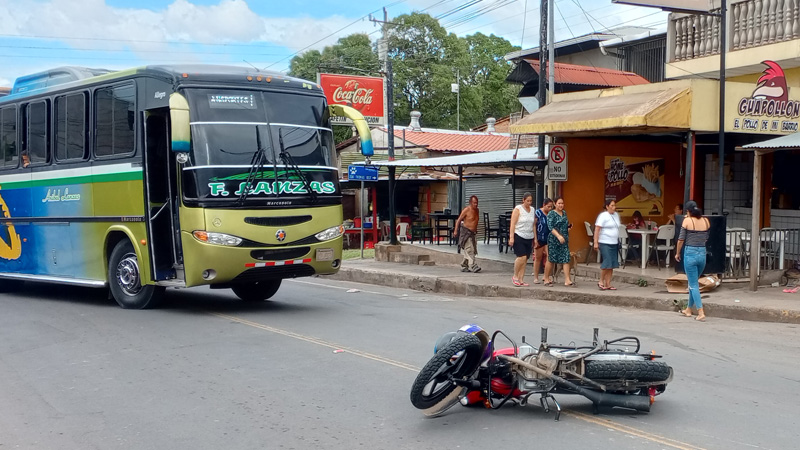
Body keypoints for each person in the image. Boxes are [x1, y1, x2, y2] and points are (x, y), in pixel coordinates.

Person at [674, 200, 708, 322]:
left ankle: (700, 312)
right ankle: (688, 309)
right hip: (702, 253)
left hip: (690, 253)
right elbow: (706, 237)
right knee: (693, 283)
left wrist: (678, 253)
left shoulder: (687, 221)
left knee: (693, 285)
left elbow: (681, 239)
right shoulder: (705, 221)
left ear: (688, 211)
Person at [544, 197, 574, 287]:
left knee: (566, 258)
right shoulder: (551, 214)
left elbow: (564, 225)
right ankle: (546, 278)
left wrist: (568, 229)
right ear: (555, 204)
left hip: (564, 239)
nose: (561, 205)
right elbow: (550, 227)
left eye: (562, 203)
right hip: (554, 239)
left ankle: (567, 279)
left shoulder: (564, 213)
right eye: (559, 203)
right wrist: (558, 236)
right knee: (552, 259)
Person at [508, 192, 535, 286]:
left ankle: (521, 279)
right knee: (521, 256)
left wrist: (535, 238)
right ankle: (515, 276)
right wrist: (511, 237)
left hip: (529, 236)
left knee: (525, 259)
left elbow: (533, 224)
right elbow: (513, 224)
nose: (529, 203)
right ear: (523, 200)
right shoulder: (518, 209)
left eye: (530, 201)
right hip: (519, 235)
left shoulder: (532, 210)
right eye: (527, 201)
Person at [593, 199, 621, 290]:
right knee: (607, 261)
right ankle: (601, 281)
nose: (614, 207)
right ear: (607, 206)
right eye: (612, 205)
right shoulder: (603, 216)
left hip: (614, 242)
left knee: (612, 264)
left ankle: (608, 283)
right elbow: (597, 229)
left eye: (614, 205)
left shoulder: (616, 215)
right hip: (605, 242)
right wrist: (595, 242)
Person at [453, 195, 481, 273]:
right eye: (474, 203)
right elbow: (458, 220)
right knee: (470, 249)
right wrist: (455, 231)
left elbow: (475, 221)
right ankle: (473, 265)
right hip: (466, 232)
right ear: (470, 203)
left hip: (473, 233)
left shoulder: (477, 210)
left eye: (477, 203)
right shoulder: (466, 210)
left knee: (472, 249)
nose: (476, 204)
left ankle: (464, 265)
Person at [531, 198, 554, 284]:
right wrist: (535, 239)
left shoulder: (551, 214)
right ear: (544, 205)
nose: (550, 208)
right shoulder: (538, 213)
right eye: (548, 206)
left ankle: (546, 275)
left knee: (550, 257)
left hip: (549, 238)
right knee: (538, 258)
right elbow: (534, 225)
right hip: (540, 237)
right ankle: (536, 277)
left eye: (551, 207)